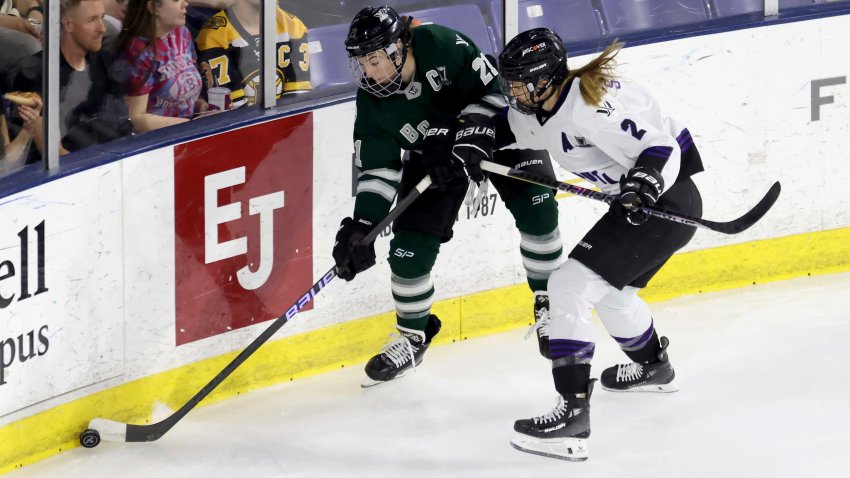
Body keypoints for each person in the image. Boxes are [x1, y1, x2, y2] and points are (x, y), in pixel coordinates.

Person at [491, 28, 705, 461]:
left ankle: (572, 413)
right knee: (613, 293)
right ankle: (653, 366)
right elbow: (506, 130)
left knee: (568, 286)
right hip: (648, 207)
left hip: (666, 203)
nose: (512, 91)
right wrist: (464, 141)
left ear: (545, 79)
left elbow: (660, 146)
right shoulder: (544, 107)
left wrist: (644, 181)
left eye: (519, 82)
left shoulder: (589, 109)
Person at [333, 6, 563, 388]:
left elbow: (498, 92)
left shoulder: (441, 43)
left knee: (539, 210)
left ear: (398, 49)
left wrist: (464, 130)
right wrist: (363, 225)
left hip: (498, 133)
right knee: (407, 253)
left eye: (373, 61)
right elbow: (379, 169)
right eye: (362, 63)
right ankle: (412, 335)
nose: (368, 73)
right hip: (435, 160)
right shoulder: (371, 102)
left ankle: (549, 301)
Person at [11, 0, 132, 158]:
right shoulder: (37, 74)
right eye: (92, 20)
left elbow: (123, 129)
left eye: (102, 17)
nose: (102, 29)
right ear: (68, 24)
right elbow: (52, 153)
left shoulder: (107, 62)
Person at [195, 0, 311, 108]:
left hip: (285, 124)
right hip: (244, 126)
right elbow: (231, 112)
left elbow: (298, 99)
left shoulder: (294, 26)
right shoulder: (215, 35)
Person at [114, 0, 203, 132]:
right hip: (156, 142)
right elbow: (135, 119)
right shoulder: (137, 52)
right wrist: (191, 125)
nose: (185, 3)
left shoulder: (182, 33)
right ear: (152, 7)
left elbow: (184, 82)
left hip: (188, 130)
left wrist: (199, 104)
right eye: (176, 0)